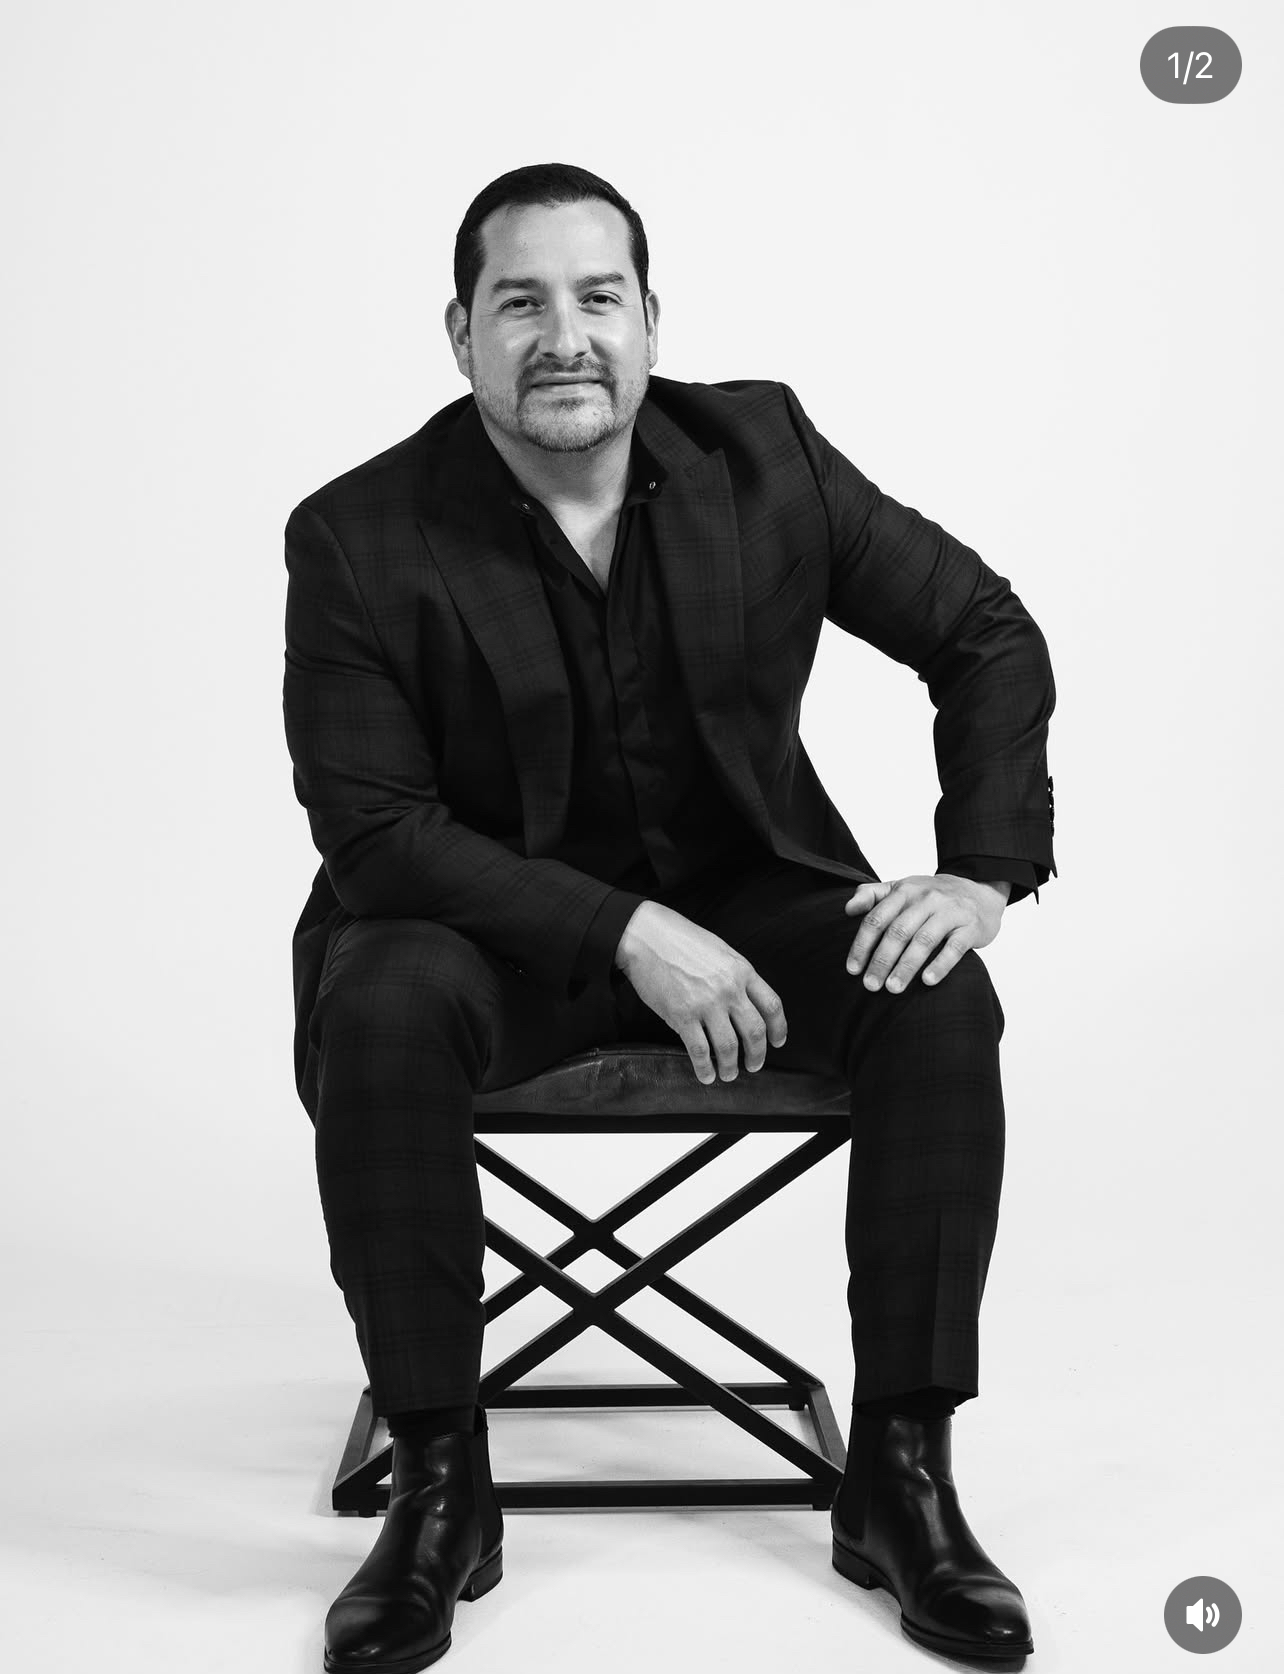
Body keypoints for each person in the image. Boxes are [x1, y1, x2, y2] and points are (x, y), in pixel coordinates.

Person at [282, 161, 1056, 1672]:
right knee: (377, 1000)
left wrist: (979, 869)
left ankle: (901, 1476)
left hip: (752, 911)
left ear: (650, 324)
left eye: (598, 298)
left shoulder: (762, 453)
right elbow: (376, 832)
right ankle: (444, 1484)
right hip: (477, 938)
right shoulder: (359, 533)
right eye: (520, 303)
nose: (562, 336)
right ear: (460, 336)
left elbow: (984, 632)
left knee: (936, 991)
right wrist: (626, 927)